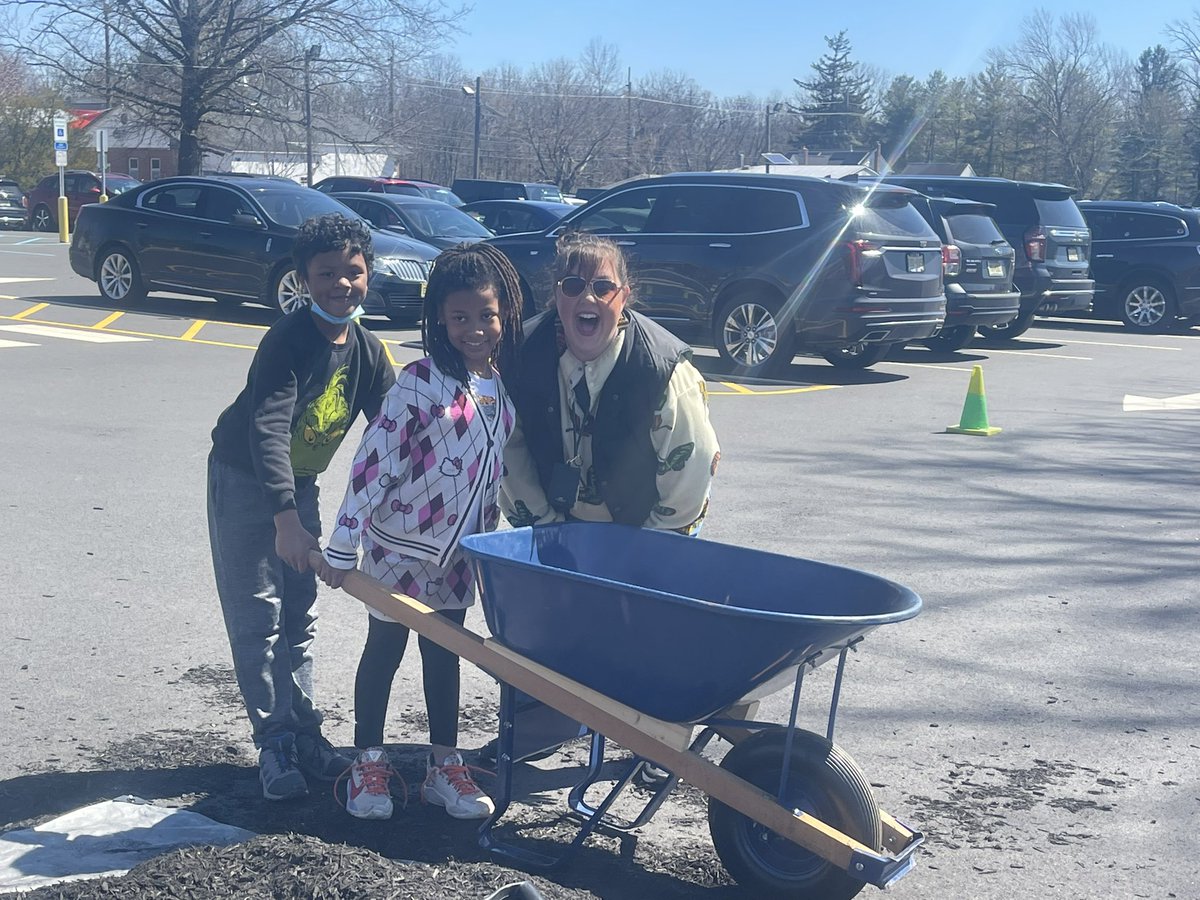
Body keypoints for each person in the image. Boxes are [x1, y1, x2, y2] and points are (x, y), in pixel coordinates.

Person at [490, 231, 720, 774]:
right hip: (561, 526)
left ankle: (657, 742)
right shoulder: (521, 357)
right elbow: (509, 448)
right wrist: (547, 530)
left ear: (625, 296)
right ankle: (545, 724)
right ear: (556, 296)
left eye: (602, 286)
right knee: (547, 628)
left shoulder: (664, 369)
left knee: (647, 638)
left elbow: (691, 465)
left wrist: (649, 550)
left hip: (647, 529)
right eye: (573, 286)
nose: (586, 298)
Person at [317, 242, 524, 821]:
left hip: (460, 556)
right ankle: (369, 763)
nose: (474, 329)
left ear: (503, 312)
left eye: (485, 315)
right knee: (383, 649)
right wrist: (343, 539)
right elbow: (372, 462)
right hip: (397, 549)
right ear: (438, 319)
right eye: (459, 317)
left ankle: (443, 766)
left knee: (445, 653)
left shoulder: (502, 387)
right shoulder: (419, 383)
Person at [207, 214, 396, 802]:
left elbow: (394, 428)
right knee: (258, 618)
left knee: (299, 617)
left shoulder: (366, 349)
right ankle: (275, 741)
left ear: (369, 274)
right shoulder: (288, 340)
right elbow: (268, 428)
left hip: (301, 486)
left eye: (353, 272)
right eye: (327, 273)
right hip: (248, 482)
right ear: (303, 278)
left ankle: (305, 730)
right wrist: (285, 518)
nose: (342, 284)